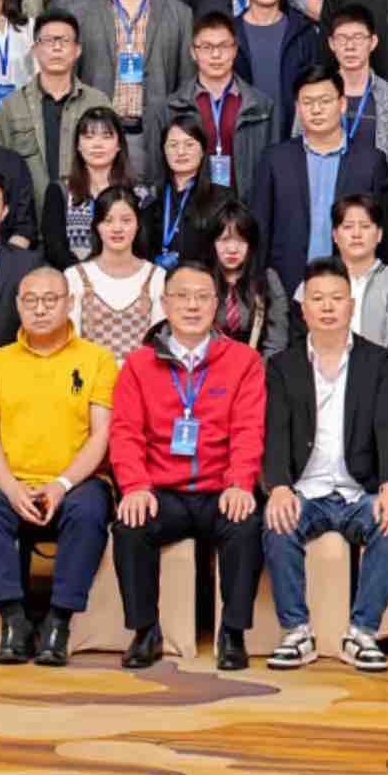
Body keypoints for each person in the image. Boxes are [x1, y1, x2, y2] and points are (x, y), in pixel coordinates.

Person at [101, 268, 266, 670]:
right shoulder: (138, 364)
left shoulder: (243, 361)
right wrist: (135, 486)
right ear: (165, 303)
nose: (192, 306)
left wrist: (240, 482)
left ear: (216, 305)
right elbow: (125, 433)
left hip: (219, 490)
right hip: (162, 492)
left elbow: (248, 429)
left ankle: (233, 633)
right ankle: (145, 631)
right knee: (130, 526)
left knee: (245, 526)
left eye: (202, 297)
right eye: (182, 296)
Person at [253, 265, 388, 671]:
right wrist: (279, 487)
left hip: (358, 490)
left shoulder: (377, 362)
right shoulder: (283, 365)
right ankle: (296, 632)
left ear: (351, 306)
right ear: (303, 308)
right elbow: (275, 432)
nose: (327, 307)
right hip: (305, 489)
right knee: (277, 522)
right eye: (318, 299)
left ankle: (362, 633)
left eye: (337, 299)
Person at [0, 267, 116, 666]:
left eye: (50, 300)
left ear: (70, 303)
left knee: (89, 511)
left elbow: (102, 434)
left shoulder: (97, 360)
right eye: (30, 301)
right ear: (18, 305)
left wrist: (62, 483)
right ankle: (14, 620)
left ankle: (58, 622)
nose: (40, 309)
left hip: (76, 482)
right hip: (13, 481)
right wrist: (10, 487)